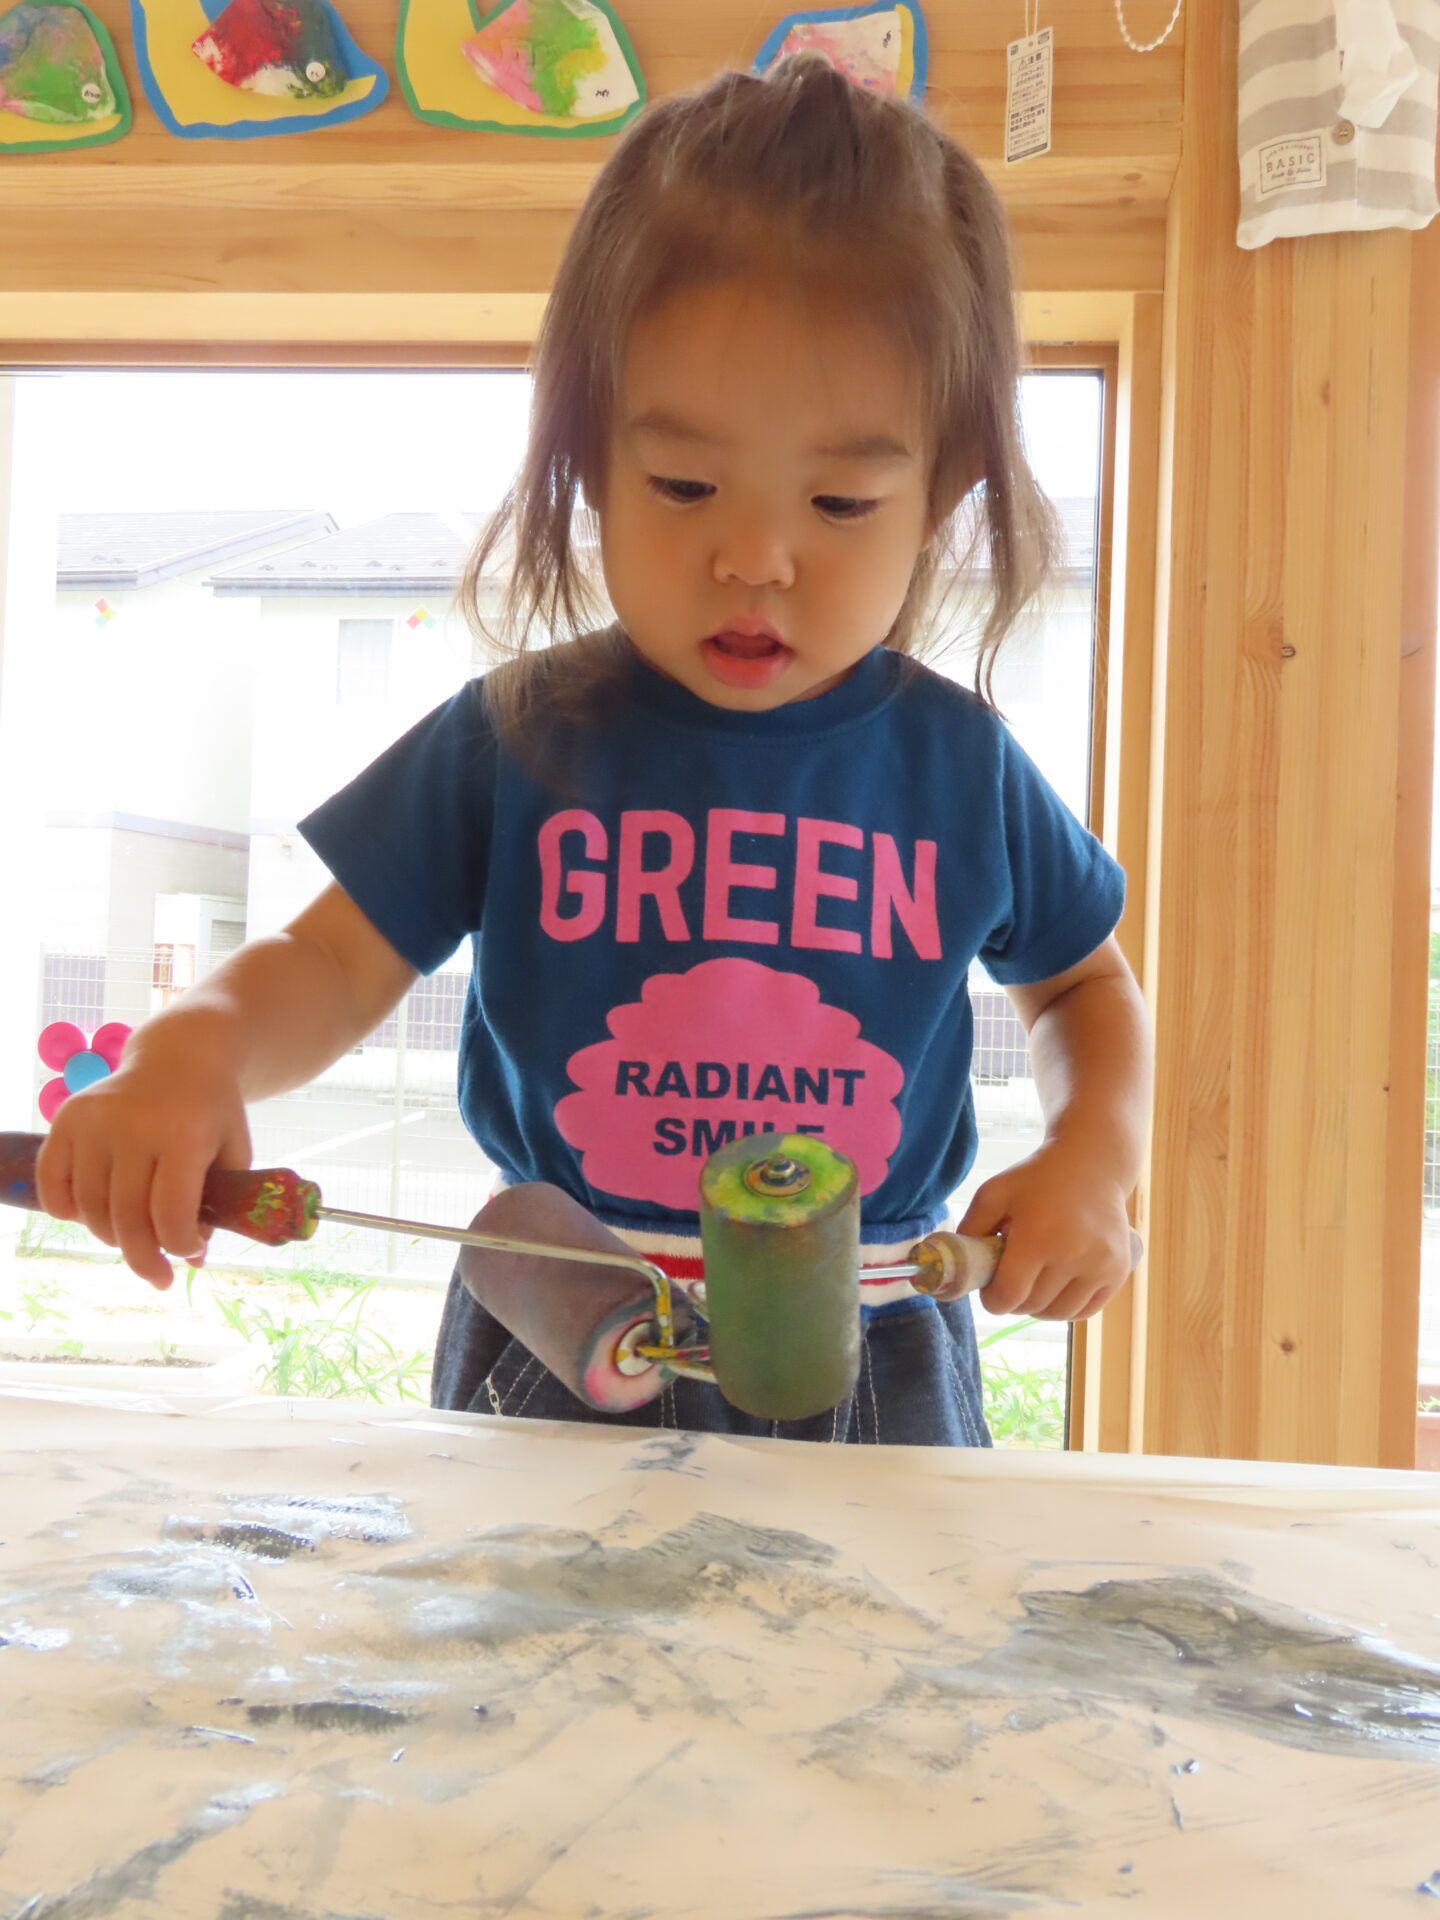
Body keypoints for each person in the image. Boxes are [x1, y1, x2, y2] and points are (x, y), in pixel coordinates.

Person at [36, 56, 1152, 1447]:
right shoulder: (516, 738)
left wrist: (1094, 1152)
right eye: (682, 483)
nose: (755, 557)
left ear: (944, 494)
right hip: (561, 1323)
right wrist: (190, 1049)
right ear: (582, 459)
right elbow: (327, 963)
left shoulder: (963, 768)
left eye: (842, 501)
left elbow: (1082, 988)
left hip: (867, 1337)